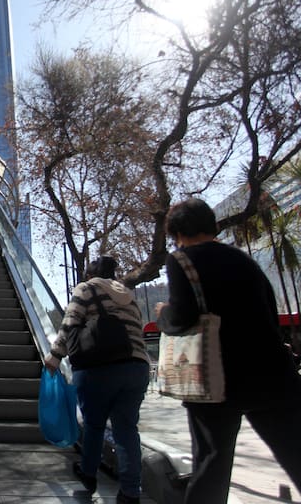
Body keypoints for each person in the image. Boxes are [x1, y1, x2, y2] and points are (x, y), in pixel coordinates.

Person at [154, 198, 301, 504]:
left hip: (216, 375)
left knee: (213, 462)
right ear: (212, 225)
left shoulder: (181, 260)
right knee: (293, 452)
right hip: (272, 372)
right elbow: (269, 310)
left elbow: (184, 315)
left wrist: (163, 313)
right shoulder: (243, 259)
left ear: (177, 233)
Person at [45, 256, 149, 503]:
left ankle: (88, 474)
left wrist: (55, 356)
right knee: (126, 429)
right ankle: (131, 492)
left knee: (94, 425)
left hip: (100, 367)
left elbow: (70, 324)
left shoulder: (87, 288)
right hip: (137, 367)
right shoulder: (129, 294)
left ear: (89, 274)